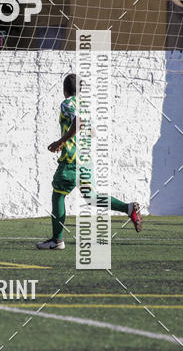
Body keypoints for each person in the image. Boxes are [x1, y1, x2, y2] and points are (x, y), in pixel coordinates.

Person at [37, 74, 142, 250]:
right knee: (92, 197)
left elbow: (78, 123)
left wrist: (61, 142)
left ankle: (57, 240)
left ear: (65, 90)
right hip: (85, 161)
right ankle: (128, 208)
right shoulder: (84, 106)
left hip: (71, 161)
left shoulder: (67, 103)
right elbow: (91, 131)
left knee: (58, 195)